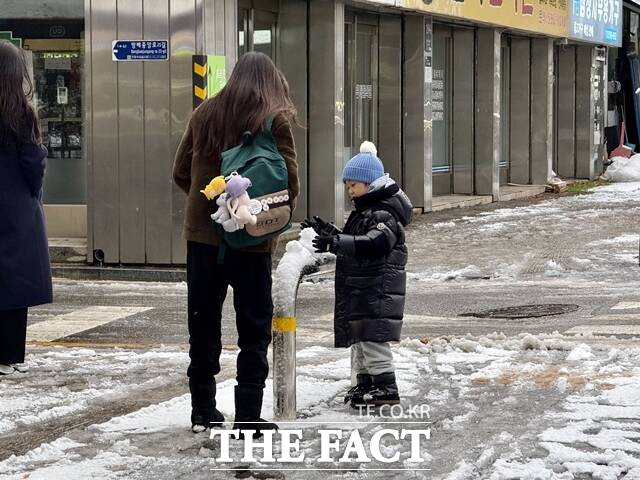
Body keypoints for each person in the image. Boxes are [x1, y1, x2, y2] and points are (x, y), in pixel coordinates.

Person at [173, 52, 299, 435]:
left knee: (204, 325)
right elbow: (289, 185)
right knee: (254, 330)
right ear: (271, 81)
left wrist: (211, 203)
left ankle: (203, 411)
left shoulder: (204, 113)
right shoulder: (274, 119)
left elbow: (180, 172)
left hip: (204, 239)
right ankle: (247, 415)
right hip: (252, 243)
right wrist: (259, 217)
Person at [304, 141, 412, 408]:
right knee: (361, 340)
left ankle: (386, 387)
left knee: (373, 340)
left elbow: (373, 243)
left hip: (377, 289)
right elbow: (356, 238)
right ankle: (365, 384)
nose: (350, 191)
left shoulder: (385, 214)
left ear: (369, 183)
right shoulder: (368, 210)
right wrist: (330, 232)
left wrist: (337, 243)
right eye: (348, 186)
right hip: (364, 287)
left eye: (353, 185)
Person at [0, 41, 51, 375]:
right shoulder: (20, 112)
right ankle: (8, 356)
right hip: (15, 207)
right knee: (14, 283)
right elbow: (33, 162)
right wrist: (32, 194)